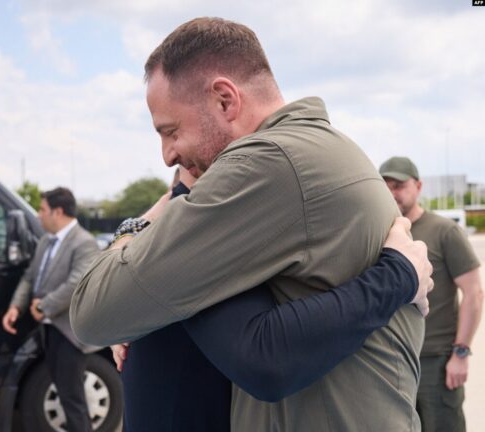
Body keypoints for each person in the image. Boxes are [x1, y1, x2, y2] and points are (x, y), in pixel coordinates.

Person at [71, 17, 425, 430]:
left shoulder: (268, 163)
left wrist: (135, 235)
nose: (167, 155)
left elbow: (92, 311)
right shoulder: (322, 148)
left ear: (225, 100)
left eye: (171, 131)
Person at [381, 156, 483, 432]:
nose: (392, 192)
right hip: (392, 364)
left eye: (399, 185)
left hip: (435, 363)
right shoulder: (382, 235)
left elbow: (474, 293)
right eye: (385, 185)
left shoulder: (444, 231)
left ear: (418, 186)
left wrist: (460, 353)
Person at [1, 187, 99, 432]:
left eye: (42, 209)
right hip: (49, 331)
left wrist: (44, 306)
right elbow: (29, 276)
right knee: (64, 392)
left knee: (72, 397)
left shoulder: (84, 242)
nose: (38, 215)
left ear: (58, 212)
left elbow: (77, 282)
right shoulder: (46, 241)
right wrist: (16, 306)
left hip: (70, 334)